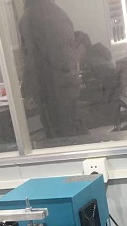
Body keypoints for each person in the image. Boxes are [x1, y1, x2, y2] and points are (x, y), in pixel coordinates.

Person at [19, 0, 85, 139]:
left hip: (51, 87)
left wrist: (26, 92)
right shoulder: (59, 13)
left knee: (58, 137)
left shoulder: (30, 18)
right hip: (70, 82)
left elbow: (31, 59)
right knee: (74, 131)